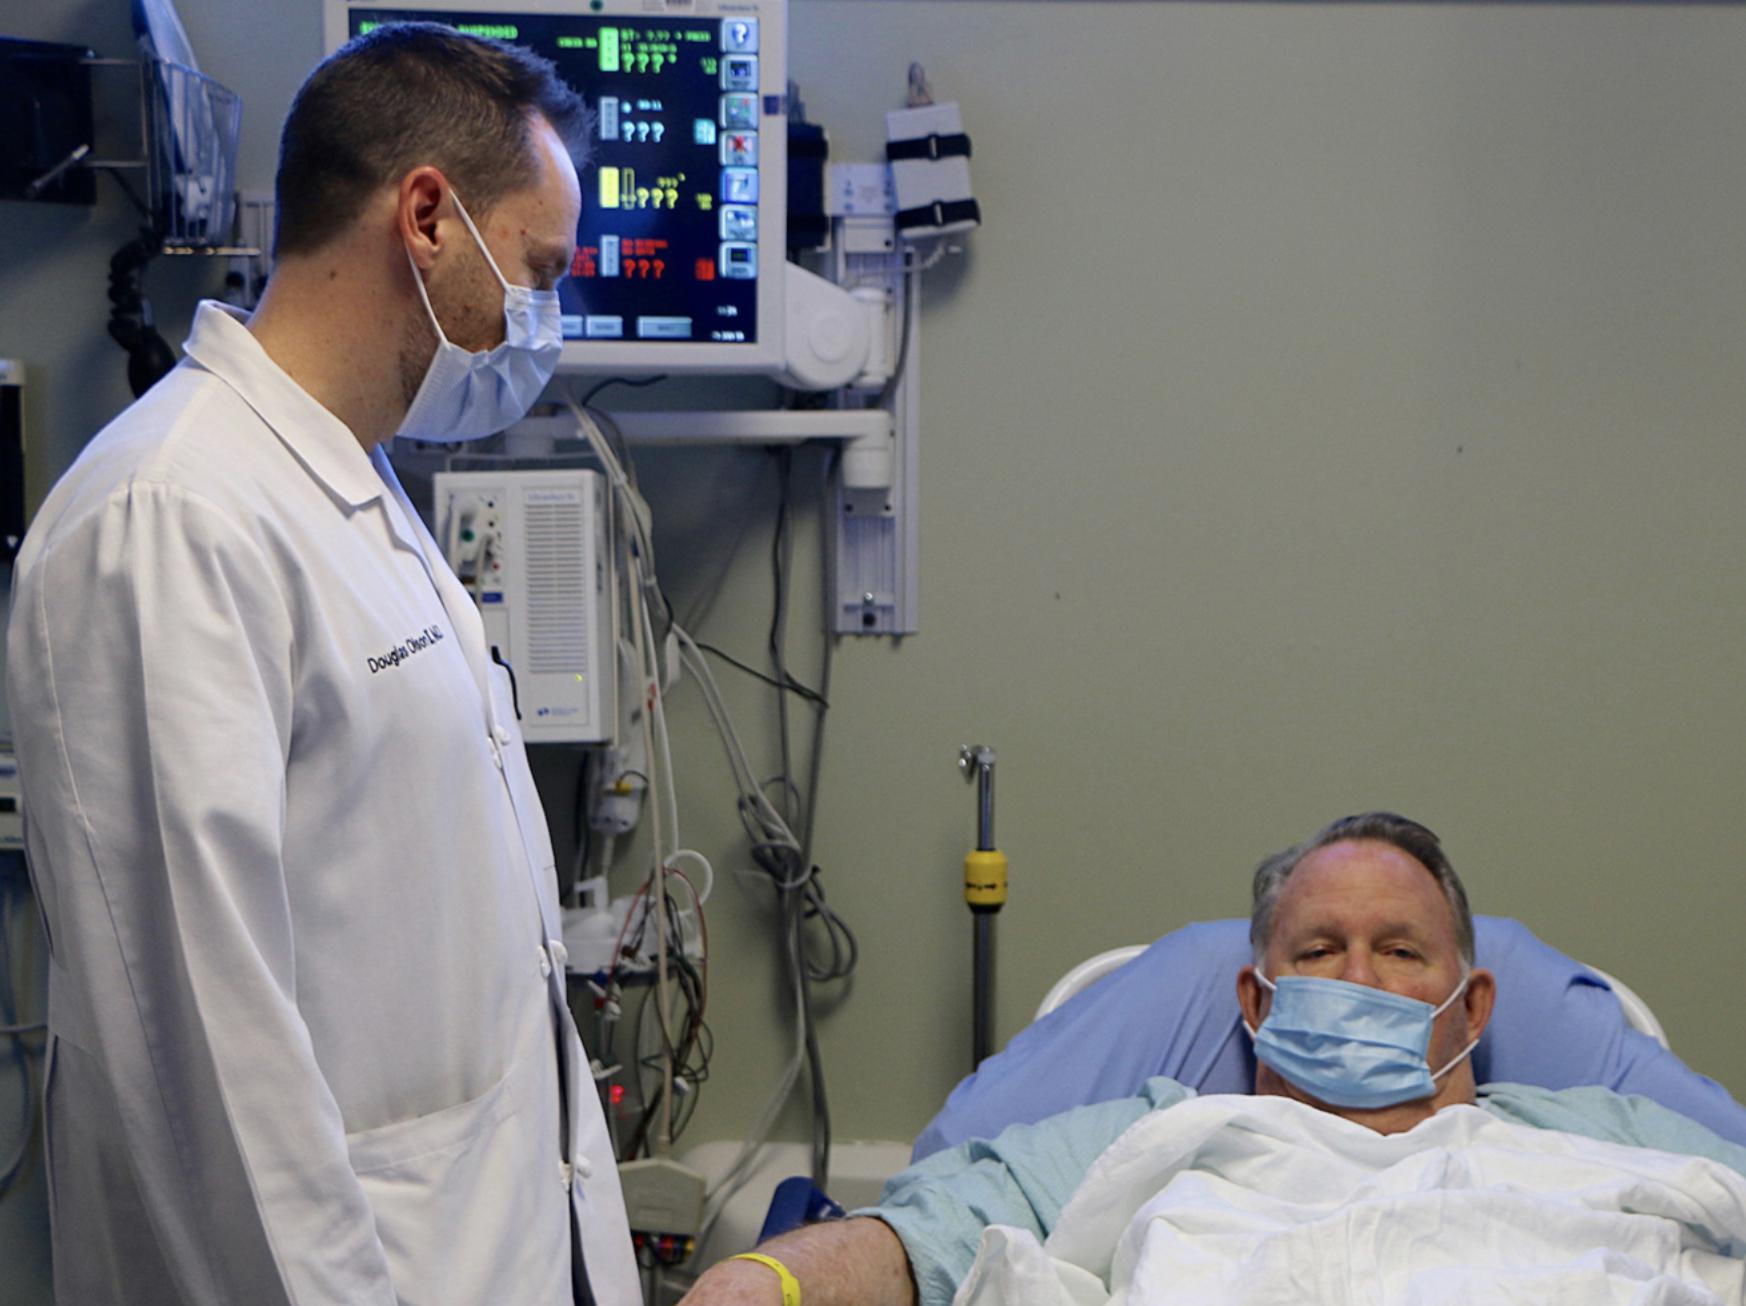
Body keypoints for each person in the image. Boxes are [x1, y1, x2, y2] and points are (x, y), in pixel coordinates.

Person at [5, 24, 638, 1306]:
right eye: (538, 270)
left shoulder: (352, 485)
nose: (543, 322)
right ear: (426, 217)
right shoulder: (170, 516)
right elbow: (206, 1072)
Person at [677, 813, 1746, 1306]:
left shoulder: (1605, 1134)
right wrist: (758, 1281)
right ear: (1253, 994)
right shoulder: (1149, 1138)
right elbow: (929, 1231)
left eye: (1401, 951)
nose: (1359, 978)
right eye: (1319, 951)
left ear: (1474, 1005)